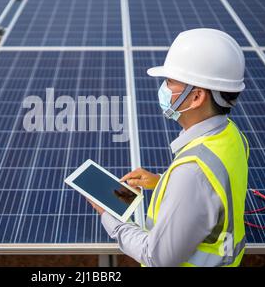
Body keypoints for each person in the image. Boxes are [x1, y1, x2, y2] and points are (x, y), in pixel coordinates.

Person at [88, 28, 249, 267]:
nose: (164, 88)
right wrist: (162, 182)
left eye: (170, 81)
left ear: (196, 97)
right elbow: (209, 193)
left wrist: (110, 217)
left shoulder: (192, 173)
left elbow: (158, 258)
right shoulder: (232, 135)